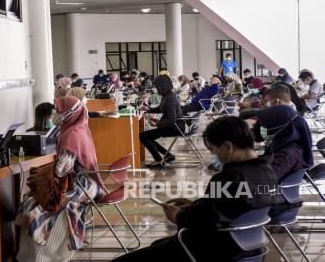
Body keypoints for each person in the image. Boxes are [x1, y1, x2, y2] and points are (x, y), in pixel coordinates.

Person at [114, 117, 282, 262]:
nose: (213, 156)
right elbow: (232, 205)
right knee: (159, 246)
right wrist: (194, 204)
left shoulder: (230, 177)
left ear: (228, 147)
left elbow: (206, 218)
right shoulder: (267, 170)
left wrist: (178, 215)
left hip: (214, 249)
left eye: (213, 150)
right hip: (248, 246)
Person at [16, 96, 104, 262]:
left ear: (69, 113)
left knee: (35, 208)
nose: (56, 114)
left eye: (59, 111)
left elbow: (61, 169)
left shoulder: (72, 135)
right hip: (88, 183)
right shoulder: (81, 128)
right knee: (34, 201)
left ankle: (45, 256)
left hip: (82, 184)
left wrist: (45, 175)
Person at [140, 75, 183, 168]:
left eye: (156, 87)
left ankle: (159, 161)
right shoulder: (166, 95)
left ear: (162, 86)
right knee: (146, 136)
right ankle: (167, 156)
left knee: (144, 136)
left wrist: (158, 123)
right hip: (173, 125)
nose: (155, 89)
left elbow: (172, 119)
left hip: (175, 127)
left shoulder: (170, 98)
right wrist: (148, 110)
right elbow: (161, 108)